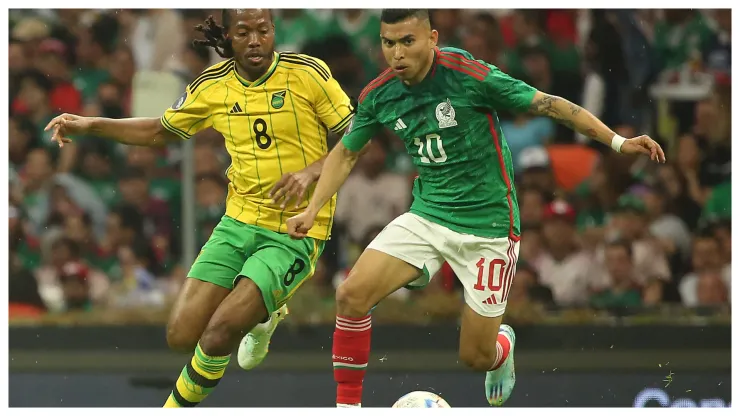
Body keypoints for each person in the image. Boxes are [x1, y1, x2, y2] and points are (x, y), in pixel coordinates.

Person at [286, 9, 666, 407]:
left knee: (475, 357)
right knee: (350, 294)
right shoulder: (378, 95)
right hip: (428, 215)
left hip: (489, 226)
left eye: (407, 41)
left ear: (432, 38)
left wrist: (617, 142)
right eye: (388, 43)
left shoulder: (468, 75)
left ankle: (502, 345)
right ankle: (348, 409)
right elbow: (346, 154)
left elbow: (548, 104)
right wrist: (312, 210)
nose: (396, 54)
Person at [45, 9, 354, 408]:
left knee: (218, 334)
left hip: (295, 228)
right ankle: (265, 313)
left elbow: (354, 134)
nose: (256, 40)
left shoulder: (308, 73)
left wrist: (313, 172)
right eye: (244, 32)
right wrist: (91, 125)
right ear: (228, 37)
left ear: (274, 31)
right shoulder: (212, 86)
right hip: (239, 221)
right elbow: (160, 130)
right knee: (180, 335)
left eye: (264, 30)